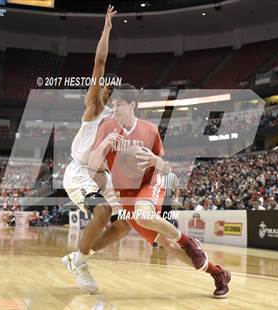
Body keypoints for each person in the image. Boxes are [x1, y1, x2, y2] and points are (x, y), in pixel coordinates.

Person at [88, 84, 231, 298]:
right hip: (126, 193)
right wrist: (104, 145)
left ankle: (188, 241)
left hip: (150, 182)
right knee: (168, 245)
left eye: (119, 104)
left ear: (132, 105)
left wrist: (156, 160)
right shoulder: (107, 128)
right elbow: (92, 164)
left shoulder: (149, 129)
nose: (115, 108)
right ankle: (218, 273)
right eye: (113, 104)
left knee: (144, 214)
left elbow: (164, 166)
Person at [62, 5, 130, 294]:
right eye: (105, 89)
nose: (106, 92)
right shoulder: (94, 108)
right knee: (101, 212)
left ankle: (78, 257)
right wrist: (107, 28)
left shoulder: (121, 125)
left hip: (102, 176)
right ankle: (79, 264)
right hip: (79, 173)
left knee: (126, 223)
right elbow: (99, 63)